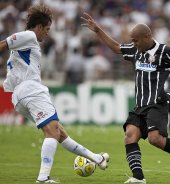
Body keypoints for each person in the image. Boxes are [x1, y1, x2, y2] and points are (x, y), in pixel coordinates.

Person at [81, 12, 170, 184]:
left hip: (157, 103)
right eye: (132, 40)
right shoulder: (136, 51)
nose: (134, 43)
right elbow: (116, 47)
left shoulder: (165, 52)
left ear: (147, 36)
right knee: (130, 135)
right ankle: (138, 178)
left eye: (136, 40)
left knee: (155, 139)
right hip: (140, 105)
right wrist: (98, 30)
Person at [0, 5, 109, 183]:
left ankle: (97, 158)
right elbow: (3, 44)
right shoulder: (29, 36)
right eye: (47, 29)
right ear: (39, 27)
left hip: (19, 96)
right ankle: (43, 178)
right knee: (52, 132)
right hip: (31, 90)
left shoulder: (26, 43)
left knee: (58, 133)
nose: (48, 33)